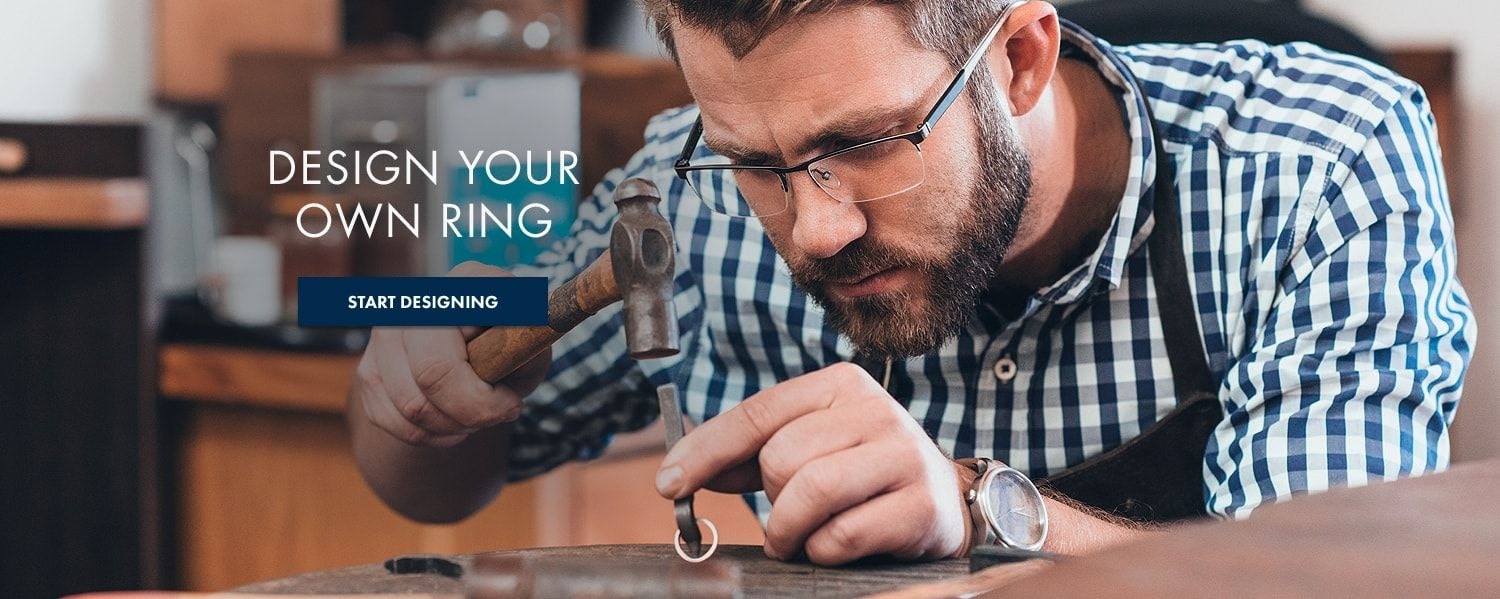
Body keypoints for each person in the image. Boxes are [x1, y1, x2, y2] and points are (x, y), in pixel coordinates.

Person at [347, 0, 1474, 565]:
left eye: (870, 140)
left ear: (1022, 58)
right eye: (757, 161)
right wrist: (408, 392)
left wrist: (983, 506)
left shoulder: (1314, 162)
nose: (818, 226)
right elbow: (430, 488)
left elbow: (1323, 581)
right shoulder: (682, 198)